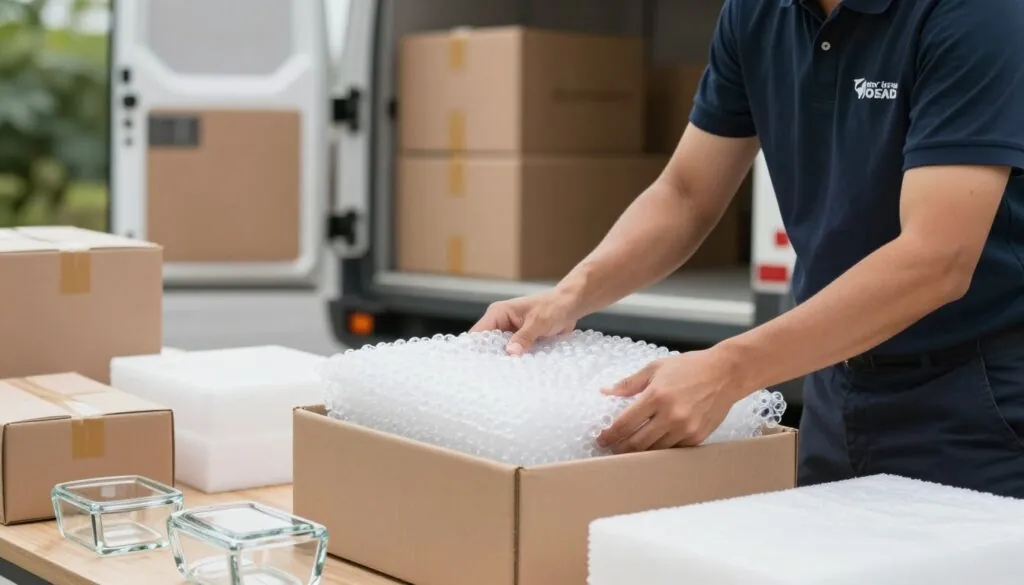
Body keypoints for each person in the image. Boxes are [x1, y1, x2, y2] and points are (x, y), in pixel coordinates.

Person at [471, 0, 1024, 498]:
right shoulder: (756, 13)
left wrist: (730, 370)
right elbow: (686, 194)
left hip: (974, 394)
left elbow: (937, 259)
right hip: (835, 375)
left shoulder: (974, 14)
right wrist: (570, 296)